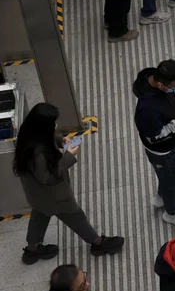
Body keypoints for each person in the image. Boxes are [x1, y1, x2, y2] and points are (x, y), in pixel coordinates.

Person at [14, 103, 124, 264]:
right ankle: (97, 243)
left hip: (38, 196)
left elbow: (45, 139)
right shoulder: (38, 154)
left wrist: (59, 140)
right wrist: (69, 157)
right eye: (54, 124)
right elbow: (48, 178)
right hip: (54, 196)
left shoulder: (27, 136)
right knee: (75, 216)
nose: (56, 125)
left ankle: (32, 250)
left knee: (39, 217)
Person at [133, 59, 175, 229]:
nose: (174, 90)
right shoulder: (146, 109)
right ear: (161, 84)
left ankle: (162, 196)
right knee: (172, 181)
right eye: (172, 87)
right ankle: (172, 212)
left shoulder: (160, 86)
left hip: (174, 141)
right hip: (162, 150)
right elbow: (154, 137)